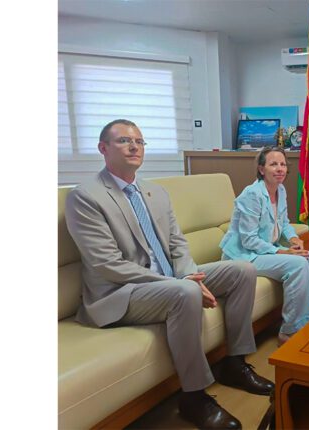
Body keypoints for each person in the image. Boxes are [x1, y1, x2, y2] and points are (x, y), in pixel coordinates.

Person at [65, 119, 273, 430]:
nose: (134, 147)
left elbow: (177, 244)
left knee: (242, 270)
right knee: (185, 292)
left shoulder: (155, 192)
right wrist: (181, 283)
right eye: (124, 141)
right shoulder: (86, 197)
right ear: (103, 148)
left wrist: (190, 275)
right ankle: (194, 397)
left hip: (170, 280)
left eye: (139, 141)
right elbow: (107, 264)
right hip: (121, 292)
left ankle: (234, 363)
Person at [221, 146, 309, 346]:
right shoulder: (252, 195)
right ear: (261, 169)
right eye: (273, 164)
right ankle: (290, 331)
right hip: (243, 255)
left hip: (263, 251)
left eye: (283, 164)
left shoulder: (280, 190)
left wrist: (293, 239)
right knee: (297, 264)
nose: (280, 169)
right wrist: (282, 251)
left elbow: (284, 223)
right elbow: (249, 240)